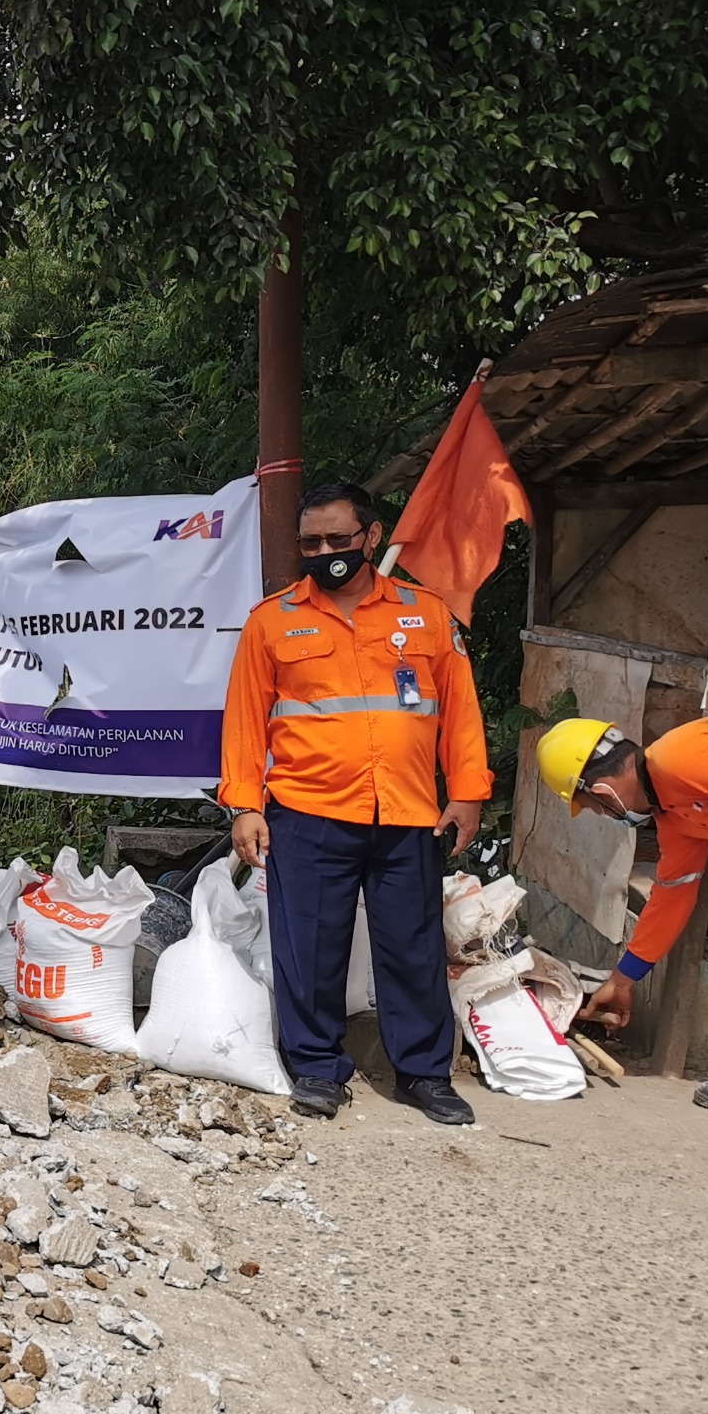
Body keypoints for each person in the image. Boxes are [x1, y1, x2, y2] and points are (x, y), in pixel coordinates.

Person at [221, 479, 491, 1125]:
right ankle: (316, 1068)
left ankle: (424, 1075)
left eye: (338, 539)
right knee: (309, 948)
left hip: (406, 813)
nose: (324, 551)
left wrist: (470, 793)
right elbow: (244, 721)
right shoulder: (273, 621)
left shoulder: (426, 615)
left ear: (370, 537)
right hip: (308, 811)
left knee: (414, 948)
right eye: (310, 541)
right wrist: (244, 804)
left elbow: (459, 712)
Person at [535, 710, 708, 1110]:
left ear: (601, 790)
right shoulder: (674, 812)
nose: (602, 815)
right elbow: (673, 894)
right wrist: (623, 980)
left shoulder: (680, 760)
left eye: (594, 807)